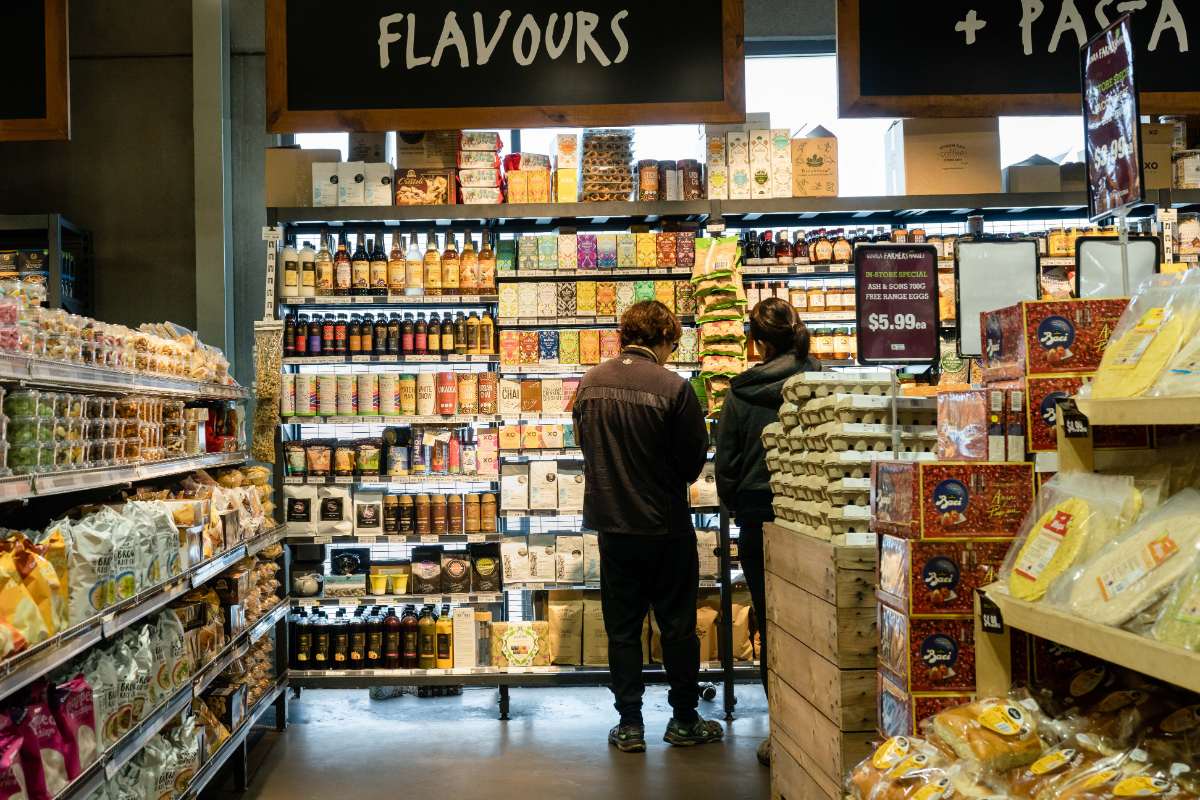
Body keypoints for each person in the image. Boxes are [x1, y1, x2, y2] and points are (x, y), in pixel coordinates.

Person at [572, 300, 722, 753]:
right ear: (664, 339)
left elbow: (584, 446)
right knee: (676, 626)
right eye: (674, 343)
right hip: (665, 525)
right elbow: (693, 459)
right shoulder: (674, 388)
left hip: (613, 527)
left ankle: (630, 725)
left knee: (622, 630)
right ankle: (683, 719)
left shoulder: (589, 384)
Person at [713, 297, 820, 766]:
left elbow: (727, 468)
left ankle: (782, 732)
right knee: (816, 621)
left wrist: (743, 506)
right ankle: (819, 727)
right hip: (819, 518)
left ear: (754, 342)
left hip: (759, 515)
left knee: (771, 620)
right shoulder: (818, 381)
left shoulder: (739, 394)